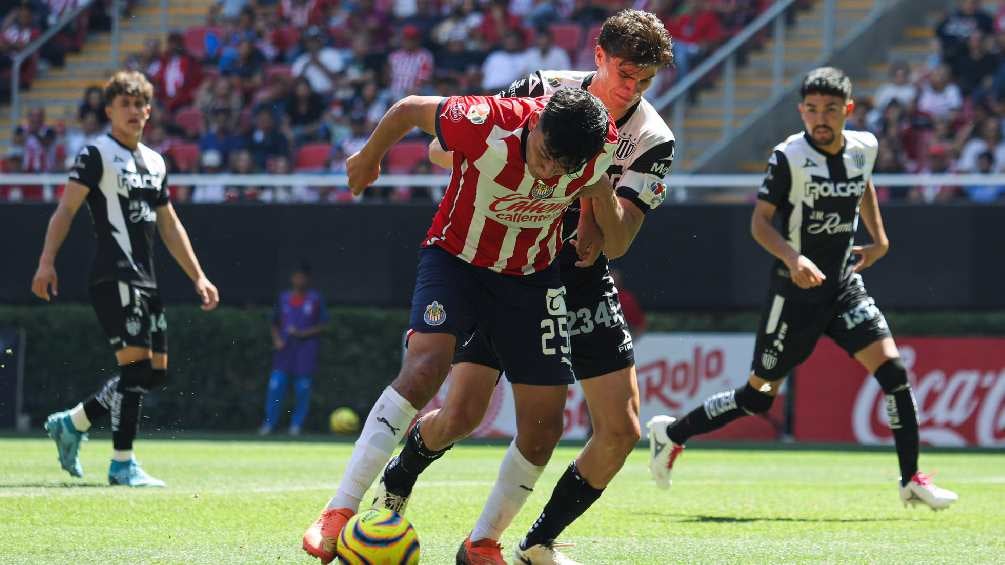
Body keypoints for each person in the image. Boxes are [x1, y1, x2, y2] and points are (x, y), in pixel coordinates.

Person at [374, 10, 675, 564]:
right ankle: (402, 469)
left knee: (622, 429)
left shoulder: (654, 138)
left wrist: (597, 194)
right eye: (623, 74)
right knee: (461, 415)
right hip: (507, 266)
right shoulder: (542, 90)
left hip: (578, 281)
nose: (629, 89)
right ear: (598, 55)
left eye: (644, 81)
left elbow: (620, 241)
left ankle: (533, 542)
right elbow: (448, 149)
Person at [301, 87, 619, 563]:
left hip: (532, 280)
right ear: (535, 125)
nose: (550, 171)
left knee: (544, 425)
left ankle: (481, 543)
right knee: (426, 368)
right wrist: (369, 158)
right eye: (546, 155)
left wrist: (593, 219)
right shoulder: (486, 121)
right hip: (456, 261)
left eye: (563, 167)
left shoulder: (596, 149)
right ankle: (340, 509)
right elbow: (407, 109)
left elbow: (597, 184)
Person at [646, 67, 958, 511]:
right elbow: (759, 222)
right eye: (812, 110)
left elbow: (862, 184)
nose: (821, 118)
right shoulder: (788, 156)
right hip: (794, 295)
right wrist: (793, 258)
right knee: (756, 397)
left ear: (847, 110)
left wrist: (880, 239)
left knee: (894, 374)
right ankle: (671, 433)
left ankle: (911, 479)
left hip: (844, 288)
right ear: (801, 112)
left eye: (830, 109)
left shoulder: (863, 147)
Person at [31, 71, 220, 487]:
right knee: (135, 370)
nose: (135, 111)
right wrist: (47, 262)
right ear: (110, 109)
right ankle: (122, 463)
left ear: (149, 111)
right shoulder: (96, 153)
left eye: (141, 104)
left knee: (154, 373)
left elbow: (170, 225)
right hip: (113, 275)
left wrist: (198, 276)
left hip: (147, 279)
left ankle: (74, 422)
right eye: (126, 104)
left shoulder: (155, 161)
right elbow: (65, 211)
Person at [259, 264, 329, 436]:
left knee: (302, 391)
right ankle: (269, 425)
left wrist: (302, 333)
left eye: (302, 277)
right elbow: (274, 323)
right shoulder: (283, 298)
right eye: (296, 276)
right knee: (275, 388)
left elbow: (324, 325)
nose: (299, 280)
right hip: (283, 354)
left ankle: (295, 426)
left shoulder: (315, 299)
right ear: (292, 278)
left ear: (308, 279)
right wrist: (277, 340)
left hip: (305, 354)